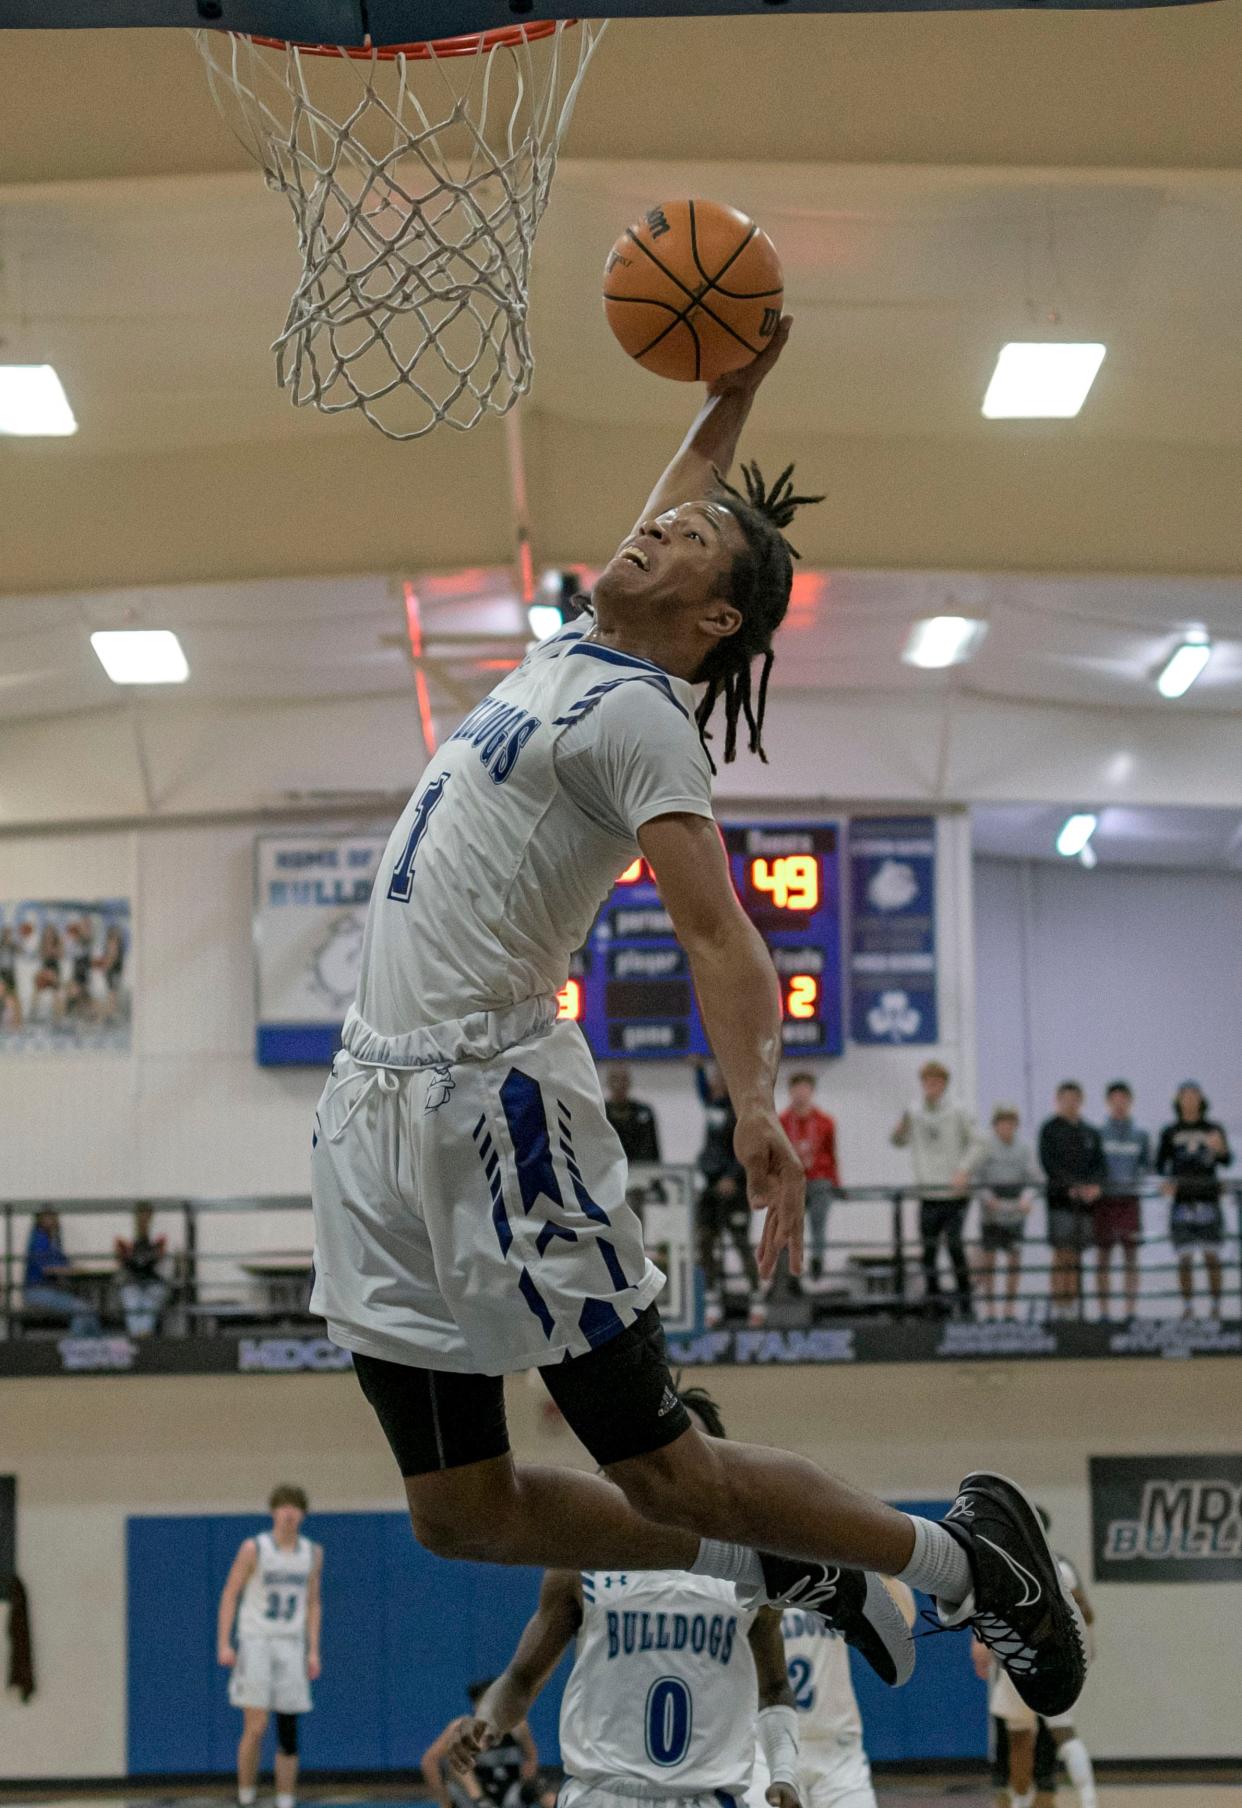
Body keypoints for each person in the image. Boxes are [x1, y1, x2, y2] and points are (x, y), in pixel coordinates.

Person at [308, 313, 1085, 1723]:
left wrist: (753, 1112)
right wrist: (738, 389)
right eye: (655, 524)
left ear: (711, 620)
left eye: (678, 544)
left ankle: (965, 1564)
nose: (650, 533)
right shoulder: (571, 644)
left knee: (661, 1466)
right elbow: (690, 491)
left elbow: (719, 933)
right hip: (367, 1112)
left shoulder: (642, 716)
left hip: (494, 1118)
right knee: (459, 1515)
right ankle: (786, 1565)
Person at [439, 1388, 801, 1808]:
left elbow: (776, 1690)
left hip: (706, 1796)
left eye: (687, 1451)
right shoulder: (581, 1560)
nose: (669, 1465)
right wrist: (486, 1719)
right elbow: (520, 1679)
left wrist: (785, 1772)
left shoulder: (749, 1569)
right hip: (600, 1795)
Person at [749, 1572, 916, 1808]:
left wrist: (864, 1556)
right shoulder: (747, 1569)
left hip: (836, 1746)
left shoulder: (829, 1565)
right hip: (765, 1746)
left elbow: (903, 1621)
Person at [977, 1506, 1098, 1808]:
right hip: (1041, 1662)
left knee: (1028, 1736)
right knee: (1052, 1733)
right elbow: (1087, 1615)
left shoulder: (1011, 1567)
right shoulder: (1057, 1567)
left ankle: (1032, 1801)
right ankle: (1084, 1799)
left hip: (1026, 1661)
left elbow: (991, 1617)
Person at [217, 1484, 322, 1808]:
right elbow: (230, 1593)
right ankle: (246, 1795)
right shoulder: (255, 1548)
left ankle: (285, 1799)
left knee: (289, 1729)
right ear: (273, 1512)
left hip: (291, 1644)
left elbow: (313, 1603)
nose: (289, 1513)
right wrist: (224, 1642)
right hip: (257, 1641)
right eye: (283, 1506)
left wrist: (313, 1649)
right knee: (257, 1725)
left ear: (303, 1514)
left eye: (295, 1507)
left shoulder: (312, 1553)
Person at [890, 1061, 978, 1318]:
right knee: (928, 1252)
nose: (931, 1086)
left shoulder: (958, 1110)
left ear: (944, 1084)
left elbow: (978, 1143)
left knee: (954, 1247)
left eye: (936, 1081)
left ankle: (965, 1303)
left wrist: (963, 1169)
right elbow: (898, 1140)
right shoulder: (914, 1110)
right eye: (927, 1081)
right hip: (928, 1192)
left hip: (954, 1192)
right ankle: (934, 1302)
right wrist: (900, 1126)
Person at [1156, 1082, 1232, 1319]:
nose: (1189, 1100)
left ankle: (1216, 1307)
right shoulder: (1170, 1131)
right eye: (1185, 1096)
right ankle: (1188, 1307)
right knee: (1184, 1257)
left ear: (1201, 1099)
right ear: (1178, 1100)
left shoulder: (1213, 1128)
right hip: (1182, 1202)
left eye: (1194, 1096)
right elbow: (1159, 1164)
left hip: (1208, 1200)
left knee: (1212, 1255)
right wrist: (1166, 1183)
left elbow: (1227, 1160)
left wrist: (1219, 1150)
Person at [695, 1057, 762, 1324]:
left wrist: (733, 1177)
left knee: (740, 1243)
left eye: (720, 1079)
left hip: (735, 1190)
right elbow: (702, 1092)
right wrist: (698, 1071)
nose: (715, 1083)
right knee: (705, 1241)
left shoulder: (742, 1110)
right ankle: (712, 1299)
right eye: (713, 1079)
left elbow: (747, 1149)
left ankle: (756, 1299)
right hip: (711, 1187)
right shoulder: (714, 1107)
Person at [1037, 1084, 1105, 1320]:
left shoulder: (1090, 1132)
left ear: (1081, 1100)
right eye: (1065, 1098)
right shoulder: (1049, 1129)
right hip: (1059, 1202)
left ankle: (1073, 1305)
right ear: (1057, 1100)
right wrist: (1070, 1186)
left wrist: (1093, 1186)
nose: (1070, 1102)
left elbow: (1099, 1165)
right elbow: (1048, 1164)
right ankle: (1059, 1304)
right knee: (1061, 1253)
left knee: (1076, 1254)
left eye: (1074, 1098)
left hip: (1084, 1205)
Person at [423, 1679, 542, 1808]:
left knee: (542, 1792)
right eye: (486, 1703)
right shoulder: (462, 1727)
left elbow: (531, 1756)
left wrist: (526, 1783)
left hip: (506, 1791)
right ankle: (480, 1800)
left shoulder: (517, 1725)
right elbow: (430, 1761)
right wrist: (445, 1802)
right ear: (476, 1706)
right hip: (473, 1797)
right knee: (458, 1761)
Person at [970, 1107, 1041, 1323]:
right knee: (989, 1261)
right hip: (990, 1213)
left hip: (1016, 1213)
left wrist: (1027, 1198)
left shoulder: (1024, 1149)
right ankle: (990, 1309)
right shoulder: (985, 1147)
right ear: (995, 1125)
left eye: (1010, 1123)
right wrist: (987, 1197)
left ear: (1016, 1125)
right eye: (1002, 1123)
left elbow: (1036, 1178)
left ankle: (1009, 1309)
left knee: (1014, 1261)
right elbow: (975, 1176)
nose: (1006, 1127)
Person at [1094, 1082, 1150, 1322]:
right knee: (1103, 1256)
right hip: (1104, 1202)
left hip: (1130, 1201)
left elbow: (1147, 1166)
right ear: (1108, 1102)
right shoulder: (1098, 1134)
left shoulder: (1141, 1135)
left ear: (1130, 1102)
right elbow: (1093, 1167)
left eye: (1123, 1099)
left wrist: (1135, 1182)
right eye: (1114, 1099)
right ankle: (1104, 1312)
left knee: (1131, 1256)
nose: (1119, 1103)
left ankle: (1130, 1312)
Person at [778, 1072, 839, 1285]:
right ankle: (792, 1271)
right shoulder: (782, 1122)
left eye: (805, 1089)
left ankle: (817, 1260)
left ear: (812, 1092)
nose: (801, 1094)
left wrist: (836, 1182)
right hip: (793, 1182)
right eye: (797, 1089)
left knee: (818, 1223)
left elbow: (831, 1154)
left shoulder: (825, 1122)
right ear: (790, 1092)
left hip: (819, 1178)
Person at [22, 1210, 101, 1334]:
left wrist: (74, 1268)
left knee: (89, 1311)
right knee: (82, 1310)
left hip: (51, 1291)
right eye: (48, 1216)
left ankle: (96, 1346)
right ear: (39, 1220)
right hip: (38, 1291)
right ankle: (74, 1348)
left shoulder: (53, 1241)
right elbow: (48, 1268)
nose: (53, 1219)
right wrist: (72, 1270)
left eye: (54, 1216)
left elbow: (63, 1262)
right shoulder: (39, 1239)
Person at [113, 1204, 169, 1336]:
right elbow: (122, 1262)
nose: (143, 1220)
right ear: (135, 1218)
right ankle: (140, 1337)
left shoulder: (159, 1238)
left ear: (151, 1218)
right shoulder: (125, 1238)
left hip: (154, 1282)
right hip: (131, 1281)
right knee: (132, 1301)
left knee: (149, 1302)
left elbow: (161, 1264)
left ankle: (142, 1336)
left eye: (147, 1216)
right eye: (141, 1216)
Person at [604, 1066, 662, 1165]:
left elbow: (652, 1150)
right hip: (609, 1172)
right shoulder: (601, 1114)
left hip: (639, 1173)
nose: (619, 1084)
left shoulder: (644, 1113)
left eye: (624, 1079)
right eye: (615, 1079)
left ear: (629, 1083)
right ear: (608, 1083)